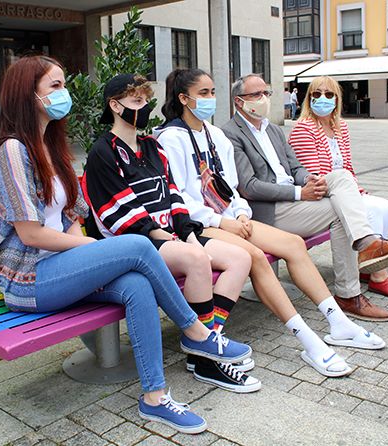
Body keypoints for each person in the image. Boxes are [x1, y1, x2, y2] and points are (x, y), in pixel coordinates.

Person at [0, 56, 253, 434]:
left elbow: (72, 217)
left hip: (63, 269)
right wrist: (92, 250)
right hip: (28, 279)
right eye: (55, 86)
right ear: (28, 95)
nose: (65, 93)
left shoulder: (52, 148)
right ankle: (197, 333)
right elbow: (31, 234)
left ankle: (155, 397)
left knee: (137, 284)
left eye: (64, 85)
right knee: (137, 247)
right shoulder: (13, 150)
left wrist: (90, 252)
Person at [154, 68, 387, 379]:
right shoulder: (171, 138)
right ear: (184, 99)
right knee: (254, 257)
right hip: (197, 224)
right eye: (203, 93)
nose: (211, 99)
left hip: (231, 217)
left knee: (293, 244)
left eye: (213, 92)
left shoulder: (215, 135)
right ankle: (306, 339)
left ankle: (338, 321)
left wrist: (240, 214)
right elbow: (180, 197)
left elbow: (231, 187)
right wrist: (223, 221)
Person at [82, 73, 260, 393]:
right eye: (136, 101)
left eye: (145, 101)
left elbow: (173, 195)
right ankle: (207, 357)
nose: (144, 108)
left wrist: (187, 233)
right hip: (136, 244)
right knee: (196, 259)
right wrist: (163, 236)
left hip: (172, 237)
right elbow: (116, 211)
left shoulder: (152, 147)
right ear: (115, 105)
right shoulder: (102, 152)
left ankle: (207, 343)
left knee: (239, 258)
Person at [223, 74, 388, 321]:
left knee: (342, 178)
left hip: (294, 202)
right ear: (239, 101)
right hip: (268, 211)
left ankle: (365, 248)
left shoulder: (272, 129)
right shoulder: (230, 133)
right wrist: (300, 192)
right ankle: (352, 287)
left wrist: (309, 179)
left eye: (266, 93)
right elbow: (249, 187)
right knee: (341, 212)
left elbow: (295, 168)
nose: (264, 98)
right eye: (256, 94)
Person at [288, 75, 388, 300]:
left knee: (385, 207)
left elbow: (347, 166)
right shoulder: (304, 128)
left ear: (337, 99)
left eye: (329, 94)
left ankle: (370, 262)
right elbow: (314, 176)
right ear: (309, 99)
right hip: (320, 192)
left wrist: (356, 189)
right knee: (371, 210)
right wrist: (349, 191)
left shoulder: (340, 127)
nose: (323, 98)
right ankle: (378, 275)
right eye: (317, 94)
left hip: (343, 188)